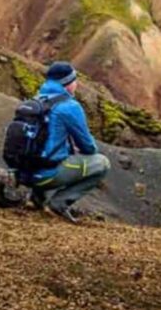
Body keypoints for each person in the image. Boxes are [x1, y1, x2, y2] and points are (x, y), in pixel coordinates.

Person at [27, 62, 110, 223]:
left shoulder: (36, 100)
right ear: (67, 83)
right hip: (47, 176)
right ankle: (58, 204)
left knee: (48, 150)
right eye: (74, 80)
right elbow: (89, 147)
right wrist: (80, 148)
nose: (76, 84)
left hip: (24, 174)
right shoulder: (69, 107)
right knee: (102, 163)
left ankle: (35, 199)